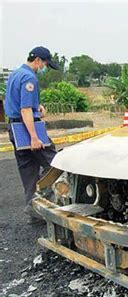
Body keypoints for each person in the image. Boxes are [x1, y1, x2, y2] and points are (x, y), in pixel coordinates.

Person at [5, 46, 59, 224]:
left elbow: (17, 102)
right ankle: (45, 202)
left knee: (28, 171)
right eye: (44, 64)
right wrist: (34, 137)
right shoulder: (29, 77)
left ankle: (34, 211)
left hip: (15, 128)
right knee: (56, 165)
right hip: (29, 129)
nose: (43, 68)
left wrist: (38, 108)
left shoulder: (15, 74)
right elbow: (25, 109)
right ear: (38, 60)